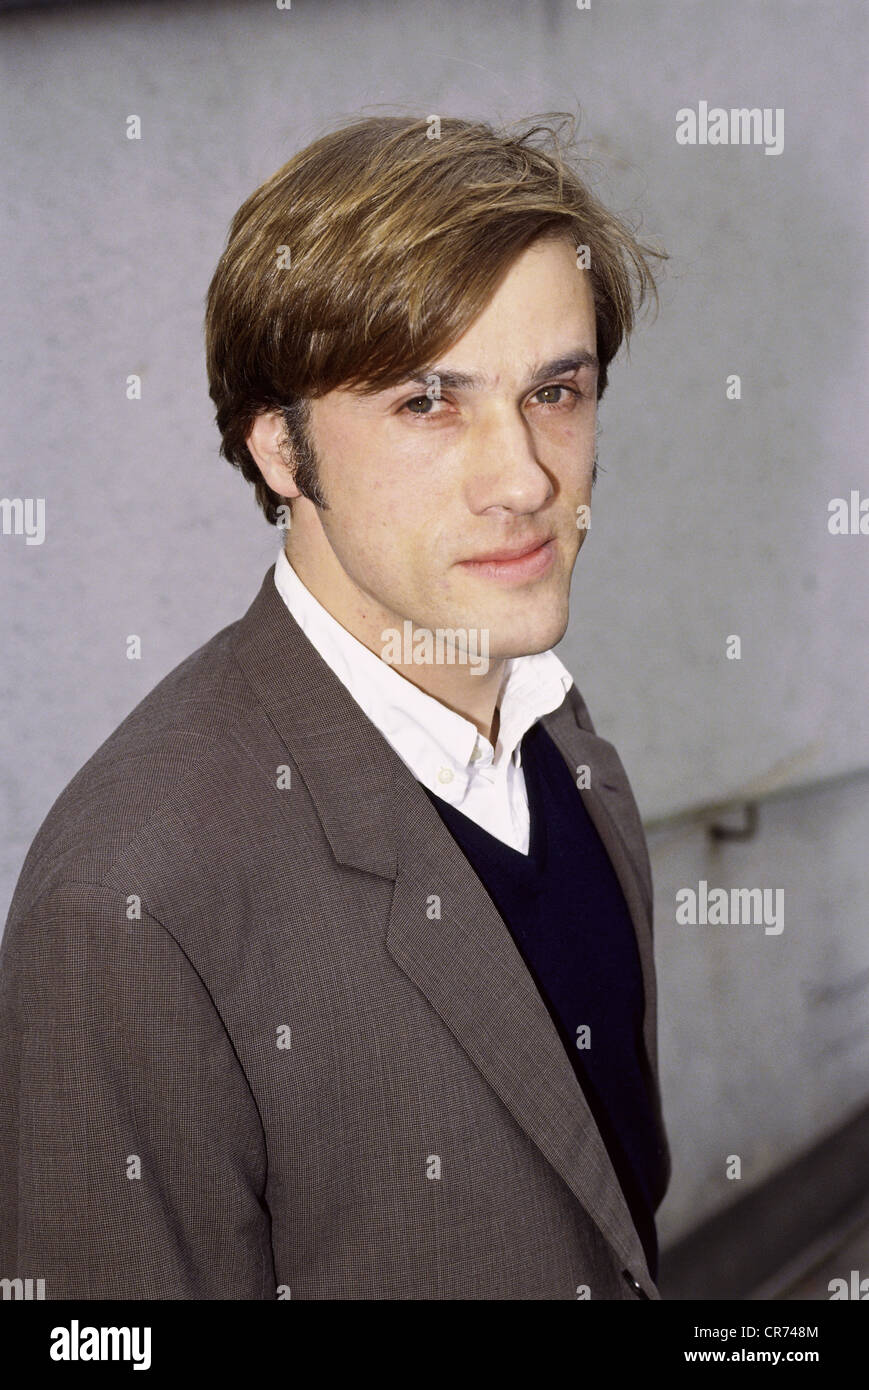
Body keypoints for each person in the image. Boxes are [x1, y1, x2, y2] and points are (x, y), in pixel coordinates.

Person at [0, 114, 670, 1299]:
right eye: (427, 402)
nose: (523, 478)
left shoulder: (566, 749)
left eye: (554, 390)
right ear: (280, 449)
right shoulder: (130, 901)